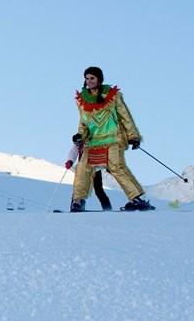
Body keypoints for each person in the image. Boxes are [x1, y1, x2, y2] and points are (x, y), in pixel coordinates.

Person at [70, 66, 154, 212]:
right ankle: (78, 201)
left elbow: (124, 115)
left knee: (117, 167)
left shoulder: (112, 95)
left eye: (92, 78)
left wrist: (133, 135)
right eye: (87, 78)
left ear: (99, 79)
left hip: (113, 139)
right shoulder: (82, 100)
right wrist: (80, 136)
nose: (89, 81)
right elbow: (84, 123)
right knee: (83, 168)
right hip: (93, 142)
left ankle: (137, 199)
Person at [64, 142, 112, 211]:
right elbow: (74, 150)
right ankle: (76, 206)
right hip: (82, 169)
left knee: (98, 190)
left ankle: (107, 208)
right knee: (79, 186)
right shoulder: (80, 138)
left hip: (95, 168)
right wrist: (70, 161)